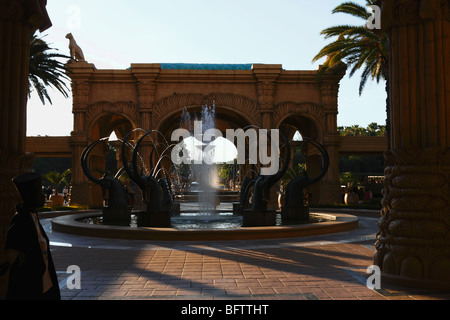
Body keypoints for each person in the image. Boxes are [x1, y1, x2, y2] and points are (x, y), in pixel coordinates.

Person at [0, 172, 61, 300]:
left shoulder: (33, 216)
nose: (43, 196)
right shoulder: (21, 220)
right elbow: (11, 256)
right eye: (39, 193)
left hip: (45, 285)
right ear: (30, 196)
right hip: (31, 289)